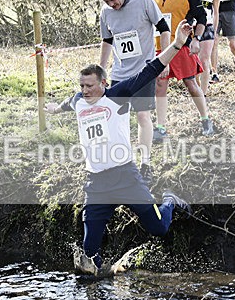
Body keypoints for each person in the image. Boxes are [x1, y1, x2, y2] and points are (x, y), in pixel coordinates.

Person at [45, 20, 196, 276]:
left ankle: (170, 200)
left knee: (158, 228)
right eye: (81, 86)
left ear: (103, 83)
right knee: (88, 255)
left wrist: (177, 43)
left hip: (125, 176)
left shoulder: (117, 96)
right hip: (96, 183)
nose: (85, 91)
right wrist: (55, 109)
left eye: (90, 86)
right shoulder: (79, 101)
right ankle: (96, 299)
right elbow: (69, 103)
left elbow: (150, 70)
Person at [98, 0, 170, 186]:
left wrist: (163, 60)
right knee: (114, 119)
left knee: (142, 116)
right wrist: (101, 70)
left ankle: (145, 164)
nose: (112, 4)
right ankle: (119, 163)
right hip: (119, 73)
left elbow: (164, 28)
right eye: (107, 1)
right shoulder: (106, 13)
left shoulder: (144, 2)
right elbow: (107, 41)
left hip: (144, 70)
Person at [151, 0, 214, 142]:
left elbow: (201, 18)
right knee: (160, 84)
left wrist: (197, 39)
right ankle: (160, 127)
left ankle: (205, 119)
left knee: (190, 83)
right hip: (160, 47)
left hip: (181, 46)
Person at [190, 0, 220, 95]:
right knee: (193, 59)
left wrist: (214, 30)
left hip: (207, 26)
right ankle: (196, 88)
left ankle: (203, 92)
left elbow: (216, 13)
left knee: (204, 59)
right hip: (193, 26)